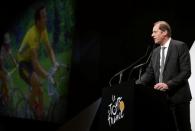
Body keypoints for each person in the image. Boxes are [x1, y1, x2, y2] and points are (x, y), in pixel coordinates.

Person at [136, 21, 192, 131]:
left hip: (179, 98)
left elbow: (186, 71)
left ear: (164, 32)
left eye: (155, 32)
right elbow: (149, 73)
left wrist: (168, 85)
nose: (152, 35)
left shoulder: (180, 46)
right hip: (161, 100)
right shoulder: (155, 52)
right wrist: (134, 86)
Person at [17, 5, 58, 120]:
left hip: (30, 62)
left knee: (40, 92)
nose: (47, 18)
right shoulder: (33, 34)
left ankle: (41, 115)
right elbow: (35, 63)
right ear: (38, 21)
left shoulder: (43, 30)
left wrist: (55, 63)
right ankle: (28, 111)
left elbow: (49, 49)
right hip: (23, 64)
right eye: (44, 16)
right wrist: (48, 75)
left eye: (46, 15)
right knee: (37, 83)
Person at [0, 32, 17, 106]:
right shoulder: (2, 50)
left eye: (9, 43)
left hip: (2, 67)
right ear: (4, 44)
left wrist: (16, 64)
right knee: (5, 79)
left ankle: (3, 96)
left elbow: (12, 57)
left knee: (5, 80)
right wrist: (5, 71)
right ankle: (6, 99)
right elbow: (1, 64)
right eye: (7, 44)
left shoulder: (8, 48)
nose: (8, 45)